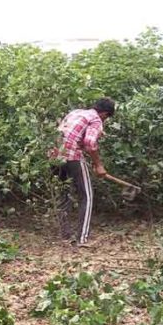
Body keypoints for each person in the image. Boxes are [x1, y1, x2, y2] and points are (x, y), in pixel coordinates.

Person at [51, 98, 116, 246]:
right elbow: (90, 144)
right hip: (72, 156)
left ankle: (65, 236)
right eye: (106, 118)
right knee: (86, 196)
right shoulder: (96, 120)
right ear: (104, 114)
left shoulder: (76, 112)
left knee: (64, 194)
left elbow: (66, 133)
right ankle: (82, 239)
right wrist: (98, 165)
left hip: (54, 156)